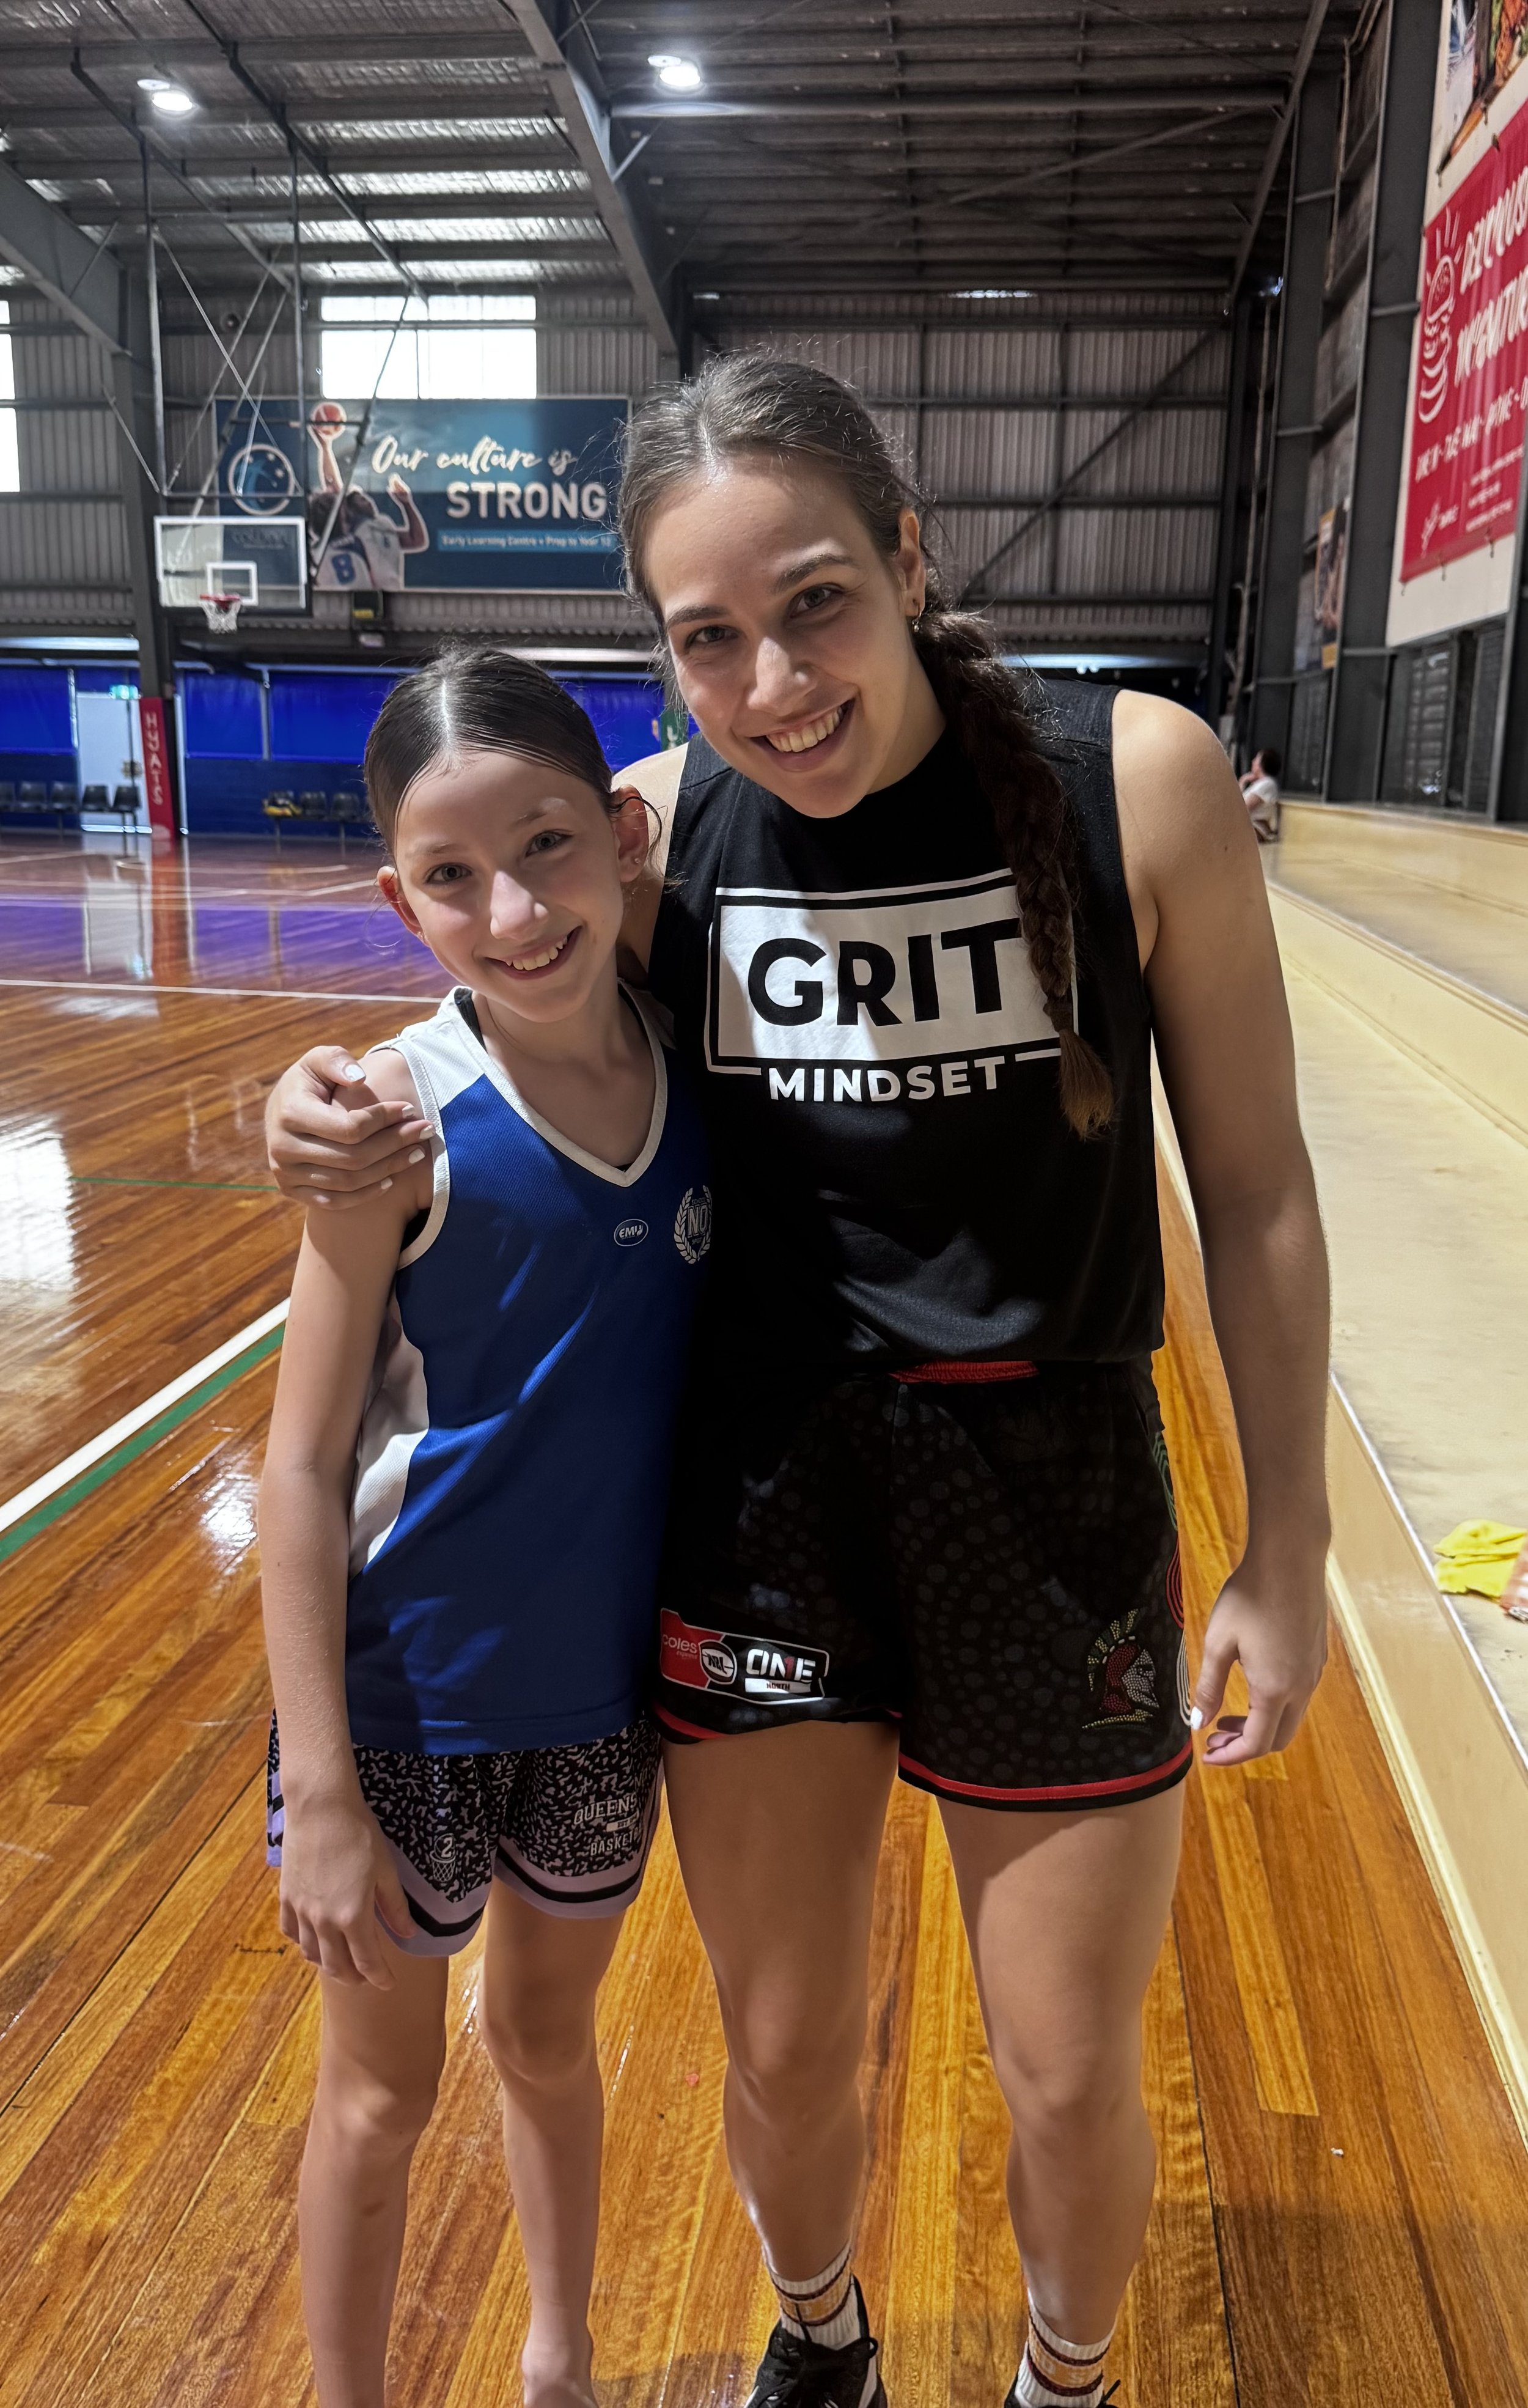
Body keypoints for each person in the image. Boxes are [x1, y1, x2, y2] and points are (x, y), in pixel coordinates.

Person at [263, 358, 1331, 2408]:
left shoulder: (1146, 778)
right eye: (708, 638)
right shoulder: (663, 826)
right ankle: (819, 2327)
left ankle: (1062, 2374)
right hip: (768, 1503)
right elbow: (494, 975)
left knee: (1062, 2059)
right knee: (779, 2039)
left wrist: (1290, 1540)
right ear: (665, 657)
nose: (774, 678)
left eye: (819, 600)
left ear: (914, 559)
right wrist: (313, 1099)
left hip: (1058, 1493)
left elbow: (1262, 1195)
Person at [258, 651, 710, 2408]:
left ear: (619, 836)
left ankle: (561, 2365)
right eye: (450, 878)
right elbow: (298, 1470)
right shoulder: (388, 1122)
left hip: (599, 1700)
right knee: (376, 2091)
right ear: (397, 897)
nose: (513, 912)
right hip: (401, 1713)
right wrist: (319, 1788)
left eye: (546, 850)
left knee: (545, 2037)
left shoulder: (692, 1072)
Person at [1238, 746, 1282, 844]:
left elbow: (1242, 808)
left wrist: (1242, 782)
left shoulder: (1268, 784)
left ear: (1261, 765)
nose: (1253, 761)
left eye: (1257, 759)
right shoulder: (1259, 784)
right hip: (1249, 827)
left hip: (1256, 829)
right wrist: (1243, 781)